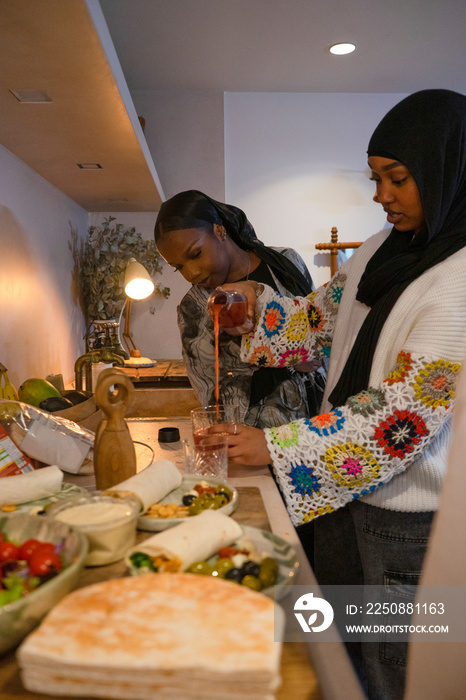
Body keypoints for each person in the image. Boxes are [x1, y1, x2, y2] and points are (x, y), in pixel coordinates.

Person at [214, 90, 466, 700]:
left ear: (446, 169)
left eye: (398, 178)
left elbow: (400, 422)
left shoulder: (457, 281)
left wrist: (276, 448)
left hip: (405, 525)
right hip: (349, 501)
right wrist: (253, 316)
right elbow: (322, 319)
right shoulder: (385, 248)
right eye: (376, 177)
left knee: (394, 666)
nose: (381, 195)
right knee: (342, 649)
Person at [154, 189, 326, 429]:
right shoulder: (194, 306)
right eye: (178, 267)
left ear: (219, 230)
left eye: (195, 254)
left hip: (318, 424)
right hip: (253, 435)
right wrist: (289, 361)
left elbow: (318, 323)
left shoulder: (285, 263)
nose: (191, 273)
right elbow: (208, 391)